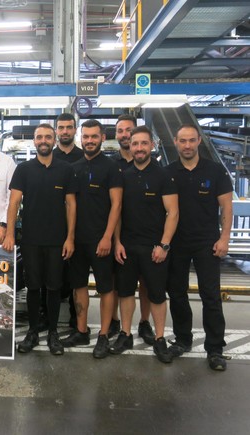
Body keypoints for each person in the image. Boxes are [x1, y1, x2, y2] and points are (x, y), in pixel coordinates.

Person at [3, 123, 77, 355]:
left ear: (54, 140)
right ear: (34, 141)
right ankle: (33, 332)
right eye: (39, 137)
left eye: (47, 137)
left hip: (57, 240)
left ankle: (53, 332)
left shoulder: (65, 169)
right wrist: (10, 234)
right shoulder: (24, 169)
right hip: (31, 240)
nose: (43, 141)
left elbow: (71, 205)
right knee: (33, 287)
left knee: (54, 287)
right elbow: (14, 203)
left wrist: (70, 238)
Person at [166, 124, 233, 371]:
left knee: (211, 295)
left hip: (207, 242)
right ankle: (183, 339)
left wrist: (224, 238)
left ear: (198, 142)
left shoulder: (215, 171)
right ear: (175, 142)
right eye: (182, 141)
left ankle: (215, 349)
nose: (187, 145)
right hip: (177, 242)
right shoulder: (168, 172)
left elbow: (226, 207)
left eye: (191, 140)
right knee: (177, 293)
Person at [111, 125, 178, 363]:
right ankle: (125, 334)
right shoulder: (123, 175)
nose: (139, 148)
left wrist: (164, 245)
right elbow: (117, 211)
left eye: (143, 143)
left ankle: (159, 339)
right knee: (126, 292)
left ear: (152, 145)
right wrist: (117, 242)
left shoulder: (163, 175)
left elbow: (173, 212)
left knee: (157, 295)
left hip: (154, 248)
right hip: (127, 247)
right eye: (135, 143)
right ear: (130, 146)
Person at [62, 120, 122, 359]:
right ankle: (81, 331)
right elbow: (69, 205)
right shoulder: (73, 168)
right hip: (78, 241)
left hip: (101, 241)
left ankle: (104, 335)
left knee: (106, 288)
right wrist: (70, 238)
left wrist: (108, 237)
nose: (89, 141)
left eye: (94, 136)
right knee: (78, 286)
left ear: (102, 137)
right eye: (85, 136)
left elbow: (117, 205)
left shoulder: (111, 167)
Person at [110, 114, 155, 344]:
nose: (125, 135)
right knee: (118, 283)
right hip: (121, 235)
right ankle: (115, 321)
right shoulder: (111, 165)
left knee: (146, 283)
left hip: (147, 236)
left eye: (129, 130)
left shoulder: (152, 165)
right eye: (120, 131)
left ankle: (145, 322)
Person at [52, 112, 83, 330]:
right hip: (52, 226)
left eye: (69, 127)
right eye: (61, 127)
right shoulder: (48, 156)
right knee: (50, 275)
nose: (65, 131)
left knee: (76, 275)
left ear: (75, 130)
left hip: (78, 227)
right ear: (56, 131)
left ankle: (75, 318)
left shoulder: (84, 157)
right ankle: (47, 316)